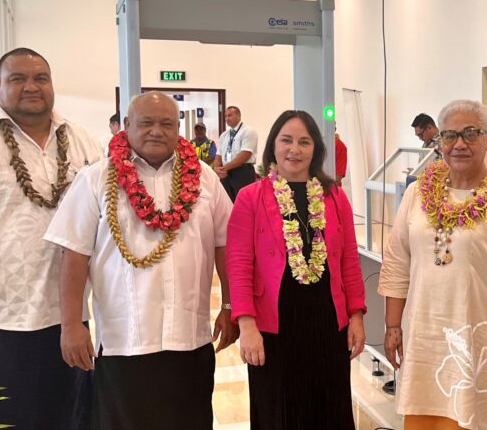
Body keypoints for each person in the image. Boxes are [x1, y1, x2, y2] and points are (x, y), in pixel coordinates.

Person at [44, 92, 237, 430]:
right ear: (126, 125)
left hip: (189, 339)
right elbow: (74, 255)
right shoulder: (96, 178)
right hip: (124, 342)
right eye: (146, 122)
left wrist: (231, 306)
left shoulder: (205, 178)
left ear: (179, 128)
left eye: (166, 123)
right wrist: (72, 325)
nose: (156, 131)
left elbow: (226, 244)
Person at [380, 99, 487, 430]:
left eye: (471, 133)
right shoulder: (417, 195)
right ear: (439, 142)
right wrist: (392, 327)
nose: (459, 144)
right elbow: (397, 262)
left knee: (480, 417)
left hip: (485, 340)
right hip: (423, 337)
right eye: (450, 135)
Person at [226, 109, 366, 430]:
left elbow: (348, 261)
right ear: (273, 146)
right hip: (273, 326)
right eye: (286, 140)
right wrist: (247, 325)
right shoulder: (251, 197)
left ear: (315, 148)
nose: (295, 149)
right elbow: (238, 263)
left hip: (327, 322)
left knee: (328, 407)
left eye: (304, 142)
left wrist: (356, 315)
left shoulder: (334, 197)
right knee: (278, 409)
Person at [0, 47, 101, 429]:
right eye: (18, 79)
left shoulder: (80, 138)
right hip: (0, 314)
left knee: (70, 416)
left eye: (41, 78)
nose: (31, 87)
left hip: (71, 315)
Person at [215, 105, 258, 201]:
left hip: (242, 172)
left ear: (239, 115)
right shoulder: (224, 135)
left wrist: (224, 168)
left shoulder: (248, 131)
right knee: (227, 203)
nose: (227, 118)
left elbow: (245, 155)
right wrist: (216, 168)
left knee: (244, 203)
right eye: (225, 116)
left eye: (230, 115)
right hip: (226, 173)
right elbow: (219, 155)